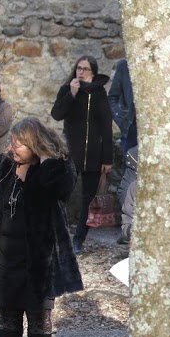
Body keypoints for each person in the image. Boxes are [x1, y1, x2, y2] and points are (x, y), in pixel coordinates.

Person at [0, 117, 82, 337]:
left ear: (36, 145)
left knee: (39, 318)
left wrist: (38, 167)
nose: (13, 147)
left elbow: (63, 189)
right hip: (7, 255)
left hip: (39, 258)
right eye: (12, 141)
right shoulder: (4, 167)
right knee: (8, 316)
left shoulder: (53, 168)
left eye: (20, 143)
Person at [50, 55, 113, 253]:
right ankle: (59, 235)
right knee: (62, 194)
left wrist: (107, 159)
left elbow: (106, 127)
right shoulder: (67, 89)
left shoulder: (100, 94)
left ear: (93, 72)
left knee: (88, 198)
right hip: (71, 152)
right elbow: (56, 114)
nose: (81, 72)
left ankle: (78, 240)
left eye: (86, 69)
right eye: (79, 68)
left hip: (94, 155)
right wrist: (72, 94)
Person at [107, 59, 137, 156]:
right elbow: (112, 97)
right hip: (131, 126)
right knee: (130, 167)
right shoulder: (124, 66)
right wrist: (121, 119)